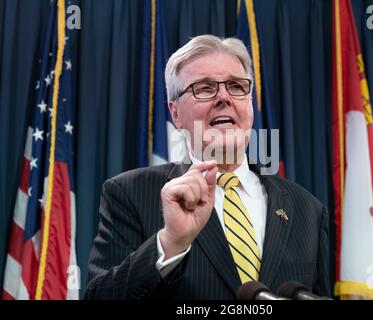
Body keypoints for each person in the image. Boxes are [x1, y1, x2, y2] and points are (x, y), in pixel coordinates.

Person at [85, 35, 330, 300]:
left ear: (250, 104)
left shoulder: (308, 209)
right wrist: (171, 244)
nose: (224, 97)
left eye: (237, 86)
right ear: (175, 112)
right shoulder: (130, 193)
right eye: (204, 88)